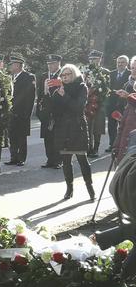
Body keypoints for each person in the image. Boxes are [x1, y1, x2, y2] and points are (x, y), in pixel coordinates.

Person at [50, 64, 94, 200]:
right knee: (66, 160)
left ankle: (89, 187)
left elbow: (78, 107)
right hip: (63, 129)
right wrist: (49, 93)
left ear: (73, 74)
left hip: (77, 127)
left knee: (82, 159)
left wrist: (64, 96)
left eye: (68, 74)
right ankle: (69, 188)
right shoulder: (59, 88)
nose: (65, 77)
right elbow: (53, 109)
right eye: (63, 75)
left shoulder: (82, 87)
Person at [4, 55, 36, 167]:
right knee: (12, 136)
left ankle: (21, 158)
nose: (10, 67)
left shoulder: (28, 77)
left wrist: (27, 114)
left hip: (22, 113)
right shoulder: (11, 77)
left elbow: (30, 97)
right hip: (12, 113)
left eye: (12, 64)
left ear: (17, 65)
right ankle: (13, 157)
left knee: (21, 137)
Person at [37, 54, 63, 169]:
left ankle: (58, 160)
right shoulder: (44, 76)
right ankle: (50, 159)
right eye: (48, 64)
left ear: (58, 63)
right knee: (48, 137)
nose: (50, 66)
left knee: (58, 137)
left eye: (52, 63)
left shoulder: (63, 75)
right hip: (46, 111)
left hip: (59, 111)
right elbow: (40, 95)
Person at [85, 50, 110, 157]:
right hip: (88, 103)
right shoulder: (86, 71)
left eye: (94, 59)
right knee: (88, 126)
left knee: (98, 127)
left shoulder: (105, 72)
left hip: (100, 103)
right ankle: (89, 148)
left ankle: (96, 148)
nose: (92, 61)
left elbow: (107, 89)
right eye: (90, 59)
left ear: (100, 59)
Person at [107, 55, 131, 152]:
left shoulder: (130, 74)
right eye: (118, 62)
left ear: (127, 64)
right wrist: (114, 92)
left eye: (122, 62)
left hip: (124, 104)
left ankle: (122, 145)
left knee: (123, 126)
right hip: (112, 104)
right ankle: (112, 145)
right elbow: (107, 88)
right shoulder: (111, 74)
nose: (120, 64)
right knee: (111, 126)